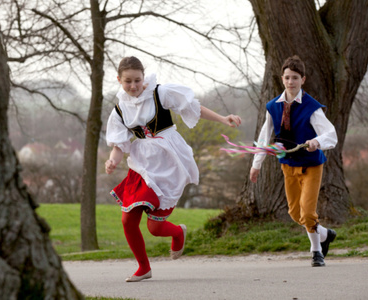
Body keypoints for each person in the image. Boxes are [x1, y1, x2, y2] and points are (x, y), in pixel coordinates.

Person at [105, 56, 242, 282]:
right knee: (128, 220)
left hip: (168, 161)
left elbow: (194, 107)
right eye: (127, 81)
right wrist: (113, 160)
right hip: (142, 165)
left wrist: (222, 119)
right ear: (119, 80)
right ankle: (143, 267)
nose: (133, 86)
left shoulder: (160, 93)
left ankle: (177, 232)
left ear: (143, 78)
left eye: (137, 80)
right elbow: (119, 146)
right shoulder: (119, 110)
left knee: (154, 228)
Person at [249, 55, 338, 267]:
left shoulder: (312, 107)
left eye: (295, 78)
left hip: (311, 165)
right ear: (282, 79)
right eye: (287, 77)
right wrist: (256, 165)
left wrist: (317, 141)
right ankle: (325, 233)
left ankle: (316, 251)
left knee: (307, 212)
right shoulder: (273, 106)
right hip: (288, 166)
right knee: (295, 213)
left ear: (303, 80)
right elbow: (264, 136)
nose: (291, 82)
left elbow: (331, 134)